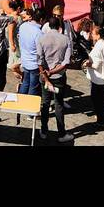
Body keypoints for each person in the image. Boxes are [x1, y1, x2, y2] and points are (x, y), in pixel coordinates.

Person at [36, 9, 74, 142]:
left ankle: (44, 130)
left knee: (45, 103)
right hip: (59, 77)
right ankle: (61, 133)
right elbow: (66, 62)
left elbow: (39, 61)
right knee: (59, 105)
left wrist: (46, 76)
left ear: (48, 26)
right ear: (59, 27)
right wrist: (52, 72)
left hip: (45, 77)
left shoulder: (41, 39)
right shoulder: (65, 39)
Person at [81, 20, 104, 128]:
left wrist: (87, 64)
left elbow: (96, 65)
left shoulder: (99, 47)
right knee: (103, 99)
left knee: (97, 99)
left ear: (98, 35)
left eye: (93, 34)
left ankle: (101, 119)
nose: (91, 35)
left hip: (98, 78)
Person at [16, 6, 43, 97]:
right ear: (41, 19)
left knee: (25, 83)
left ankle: (20, 106)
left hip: (25, 61)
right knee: (33, 87)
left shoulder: (23, 26)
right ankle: (29, 107)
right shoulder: (38, 32)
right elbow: (40, 51)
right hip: (34, 64)